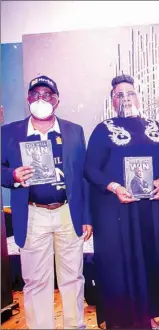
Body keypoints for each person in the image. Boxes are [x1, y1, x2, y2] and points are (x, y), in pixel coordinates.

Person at [84, 74, 159, 329]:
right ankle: (130, 319)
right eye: (119, 94)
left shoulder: (155, 127)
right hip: (116, 211)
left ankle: (153, 312)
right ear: (112, 100)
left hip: (150, 210)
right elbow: (91, 170)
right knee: (124, 265)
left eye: (130, 93)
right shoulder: (103, 129)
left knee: (153, 260)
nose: (125, 98)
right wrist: (115, 187)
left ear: (138, 96)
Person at [1, 75, 91, 329]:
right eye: (36, 95)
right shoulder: (8, 133)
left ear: (57, 101)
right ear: (28, 99)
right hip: (31, 214)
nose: (41, 99)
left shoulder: (74, 131)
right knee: (36, 280)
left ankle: (75, 326)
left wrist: (86, 217)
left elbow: (83, 176)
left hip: (67, 212)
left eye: (47, 95)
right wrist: (13, 176)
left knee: (73, 277)